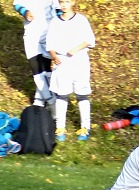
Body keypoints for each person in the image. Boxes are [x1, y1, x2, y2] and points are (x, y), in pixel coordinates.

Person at [45, 0, 95, 142]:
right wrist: (54, 57)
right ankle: (60, 127)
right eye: (61, 2)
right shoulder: (55, 22)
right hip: (62, 62)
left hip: (78, 61)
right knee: (61, 95)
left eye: (67, 1)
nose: (64, 5)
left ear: (73, 2)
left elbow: (89, 40)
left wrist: (76, 49)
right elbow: (50, 43)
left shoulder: (81, 20)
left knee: (82, 94)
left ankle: (85, 127)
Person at [13, 0, 60, 109]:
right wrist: (25, 12)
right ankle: (51, 102)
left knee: (48, 71)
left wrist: (60, 27)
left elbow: (59, 8)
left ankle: (42, 102)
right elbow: (17, 4)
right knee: (37, 71)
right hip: (31, 34)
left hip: (49, 33)